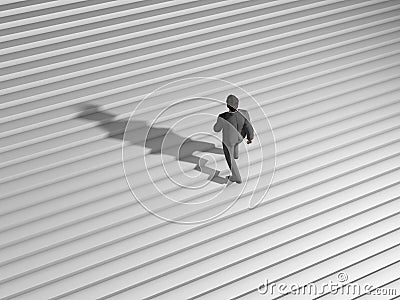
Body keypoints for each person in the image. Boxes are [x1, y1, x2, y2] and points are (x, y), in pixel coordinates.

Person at [213, 94, 254, 184]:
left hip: (229, 141)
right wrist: (250, 137)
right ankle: (236, 155)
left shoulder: (223, 117)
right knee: (236, 142)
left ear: (227, 105)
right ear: (237, 104)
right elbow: (248, 126)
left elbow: (216, 129)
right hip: (240, 137)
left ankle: (236, 177)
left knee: (229, 157)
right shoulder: (244, 113)